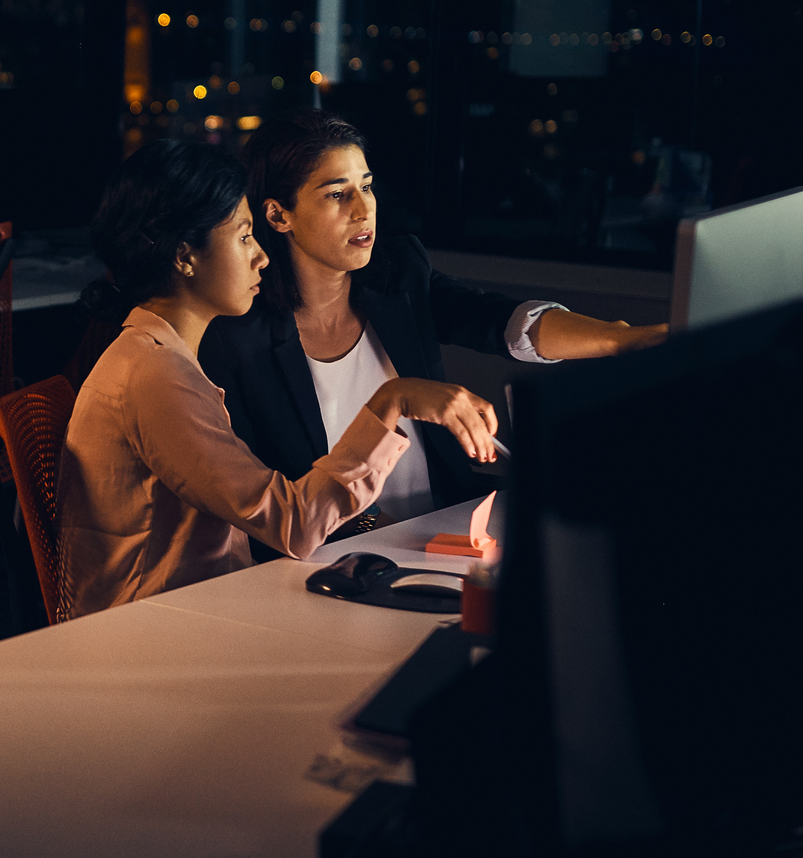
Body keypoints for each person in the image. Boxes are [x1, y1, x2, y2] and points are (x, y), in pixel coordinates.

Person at [57, 140, 501, 617]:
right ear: (185, 256)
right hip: (158, 630)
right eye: (245, 237)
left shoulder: (164, 356)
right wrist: (392, 401)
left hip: (205, 611)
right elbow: (292, 524)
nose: (262, 258)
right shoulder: (155, 375)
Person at [199, 111, 668, 536]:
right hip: (331, 555)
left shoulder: (399, 275)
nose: (363, 209)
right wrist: (379, 528)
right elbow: (270, 495)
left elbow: (495, 319)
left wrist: (618, 340)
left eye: (366, 185)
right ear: (279, 215)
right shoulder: (236, 337)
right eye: (337, 194)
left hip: (445, 525)